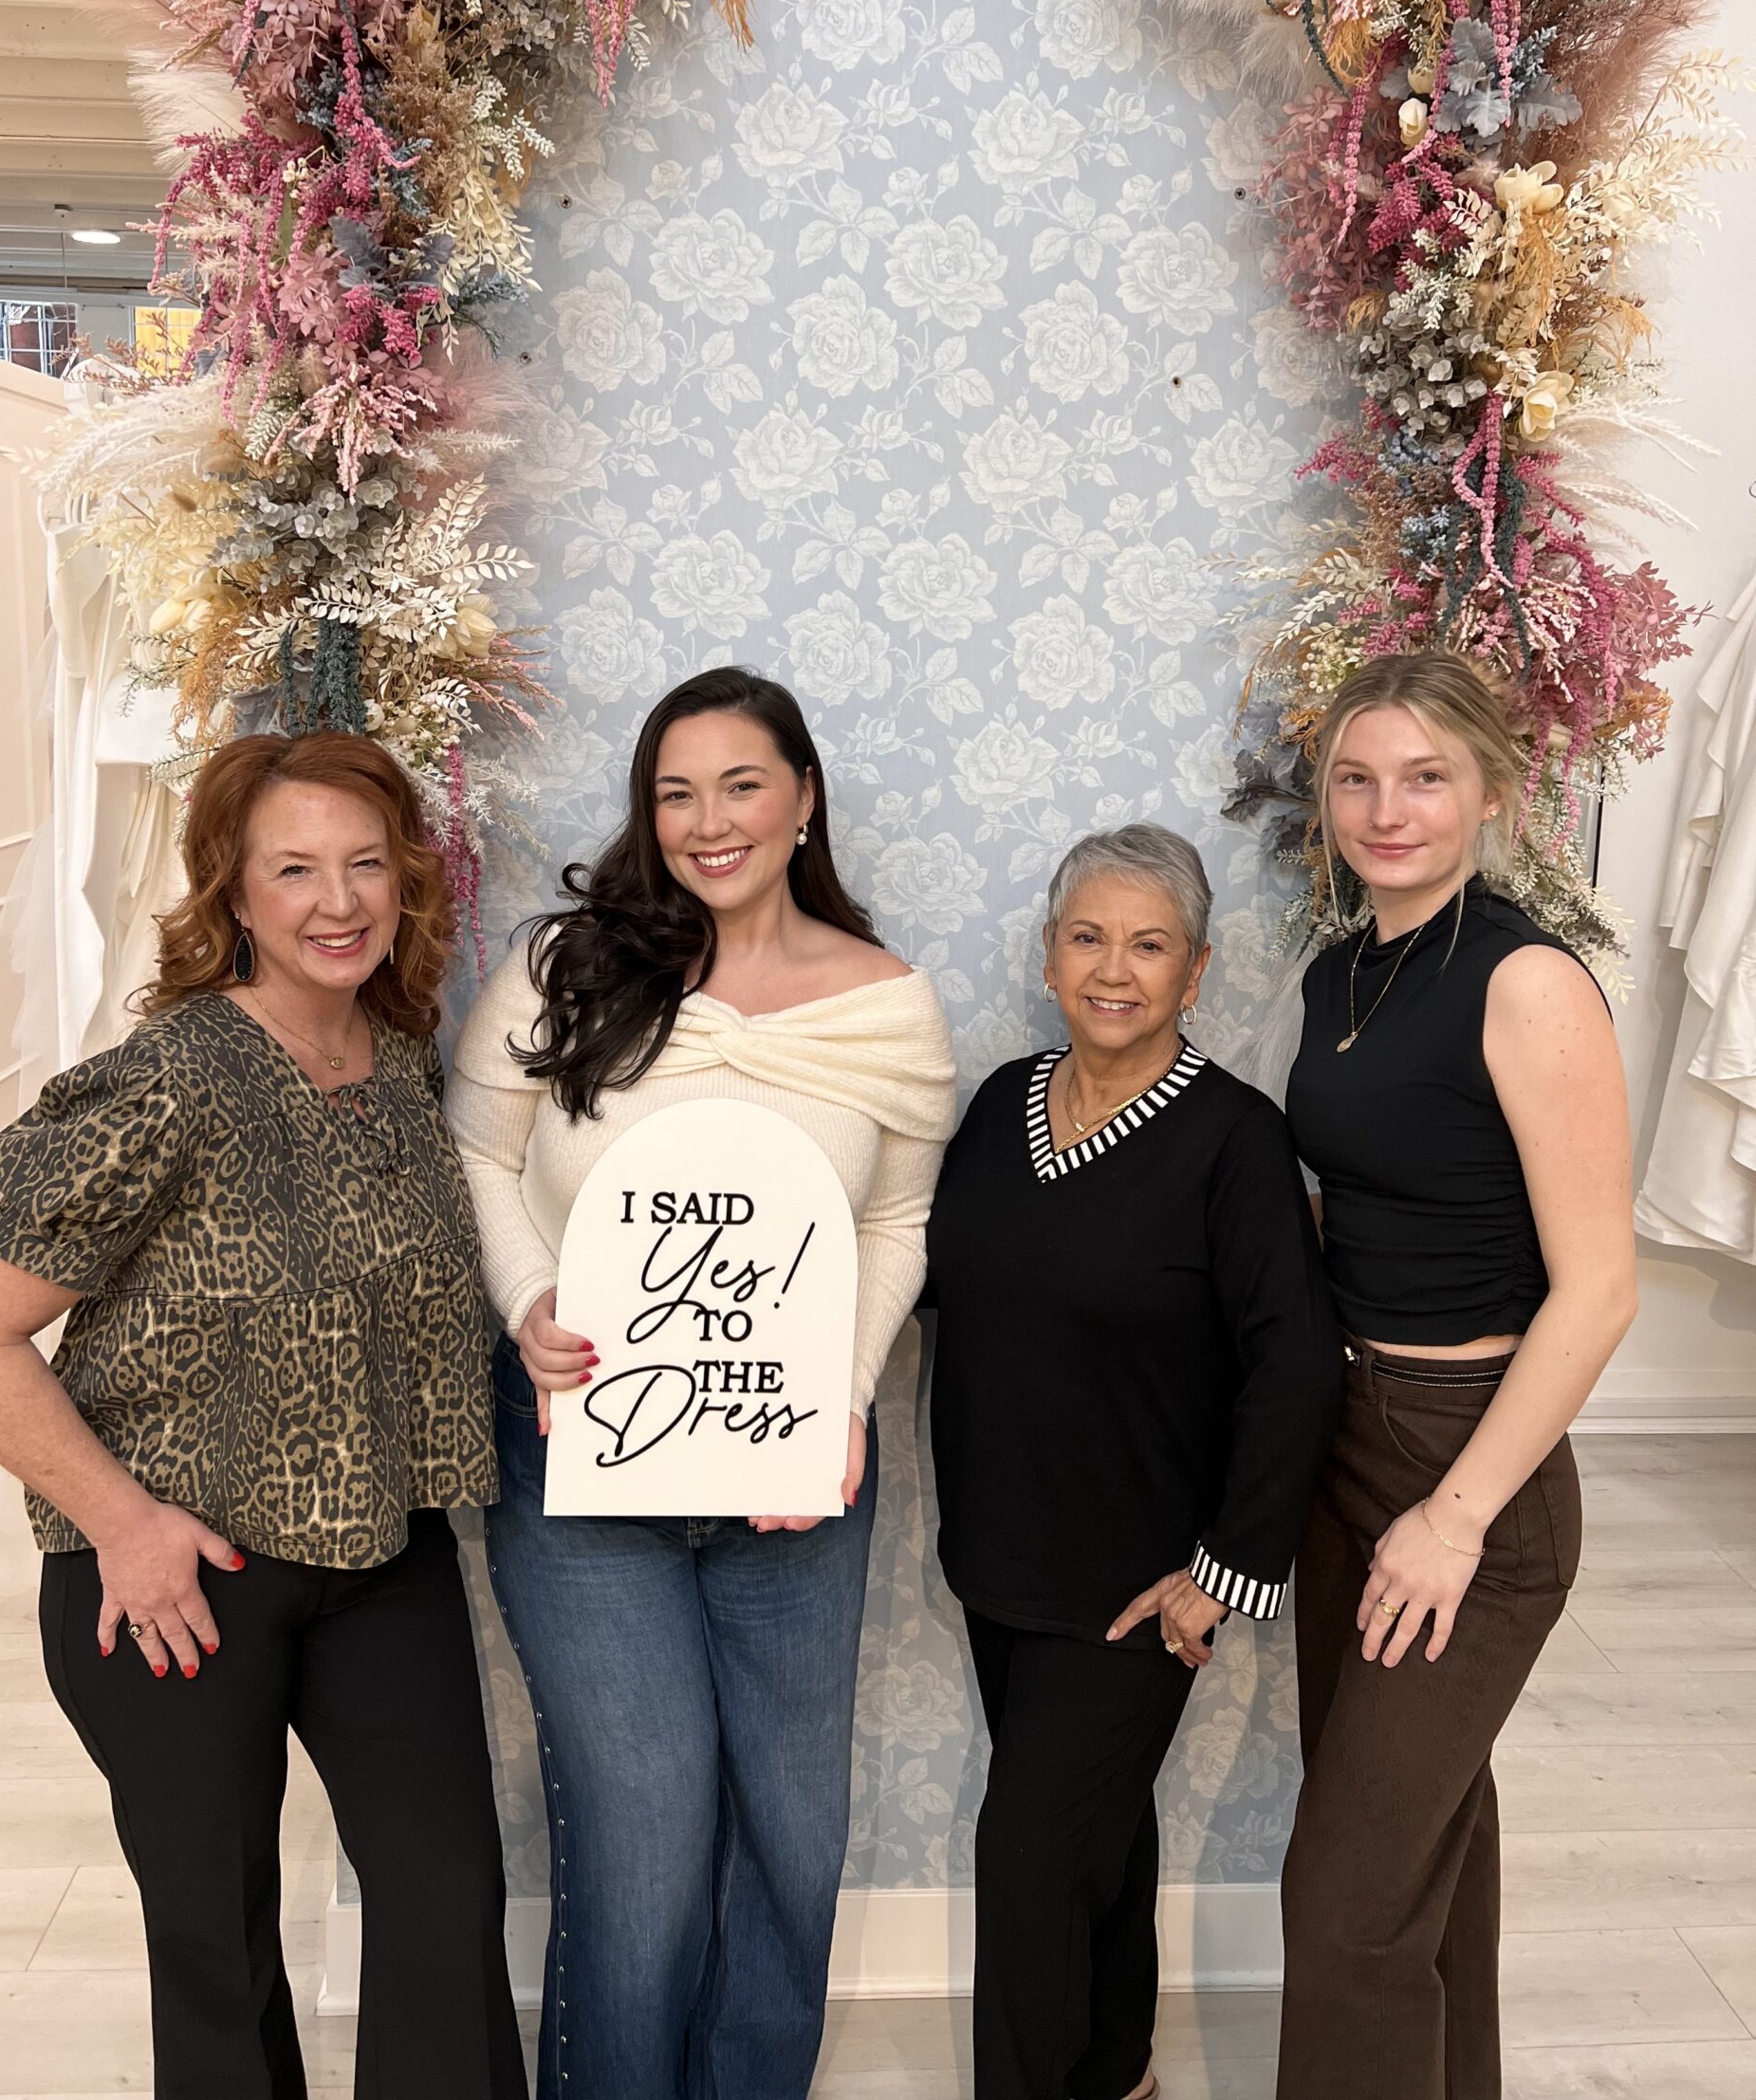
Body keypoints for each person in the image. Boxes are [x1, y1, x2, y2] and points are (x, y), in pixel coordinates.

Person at [0, 730, 524, 2100]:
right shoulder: (172, 1081)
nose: (338, 902)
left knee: (444, 1906)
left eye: (365, 865)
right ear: (233, 893)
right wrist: (122, 1524)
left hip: (383, 1557)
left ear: (406, 883)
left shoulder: (399, 1058)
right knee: (219, 1946)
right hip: (176, 1573)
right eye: (296, 870)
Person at [445, 664, 957, 2100]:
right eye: (675, 791)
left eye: (741, 784)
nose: (707, 820)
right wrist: (530, 1298)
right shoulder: (570, 964)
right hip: (578, 1459)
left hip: (796, 1480)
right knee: (648, 1828)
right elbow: (479, 1153)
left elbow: (895, 1220)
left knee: (793, 1833)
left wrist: (839, 1397)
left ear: (802, 799)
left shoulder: (887, 1007)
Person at [924, 822, 1341, 2100]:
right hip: (999, 1561)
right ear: (1049, 956)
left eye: (1149, 945)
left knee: (1031, 1851)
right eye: (1089, 937)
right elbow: (926, 1288)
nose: (1115, 969)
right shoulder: (1000, 1108)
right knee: (1093, 1834)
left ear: (1197, 970)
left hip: (1139, 1585)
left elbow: (1299, 1367)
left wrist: (1225, 1569)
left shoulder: (1234, 1143)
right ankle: (1116, 2070)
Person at [1276, 652, 1637, 2100]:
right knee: (1423, 1854)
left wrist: (1458, 1512)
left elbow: (1598, 1288)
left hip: (1468, 1463)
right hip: (1347, 1440)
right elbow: (1358, 1198)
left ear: (1494, 790)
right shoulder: (1340, 968)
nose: (1388, 809)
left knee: (1345, 1902)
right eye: (1358, 778)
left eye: (1426, 776)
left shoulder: (1528, 980)